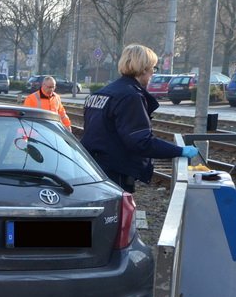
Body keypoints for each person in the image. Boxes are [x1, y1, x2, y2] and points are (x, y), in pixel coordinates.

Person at [81, 44, 197, 193]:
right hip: (115, 174)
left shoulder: (101, 93)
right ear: (144, 69)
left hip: (93, 168)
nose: (152, 74)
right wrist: (179, 150)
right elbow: (140, 141)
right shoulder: (131, 96)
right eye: (153, 69)